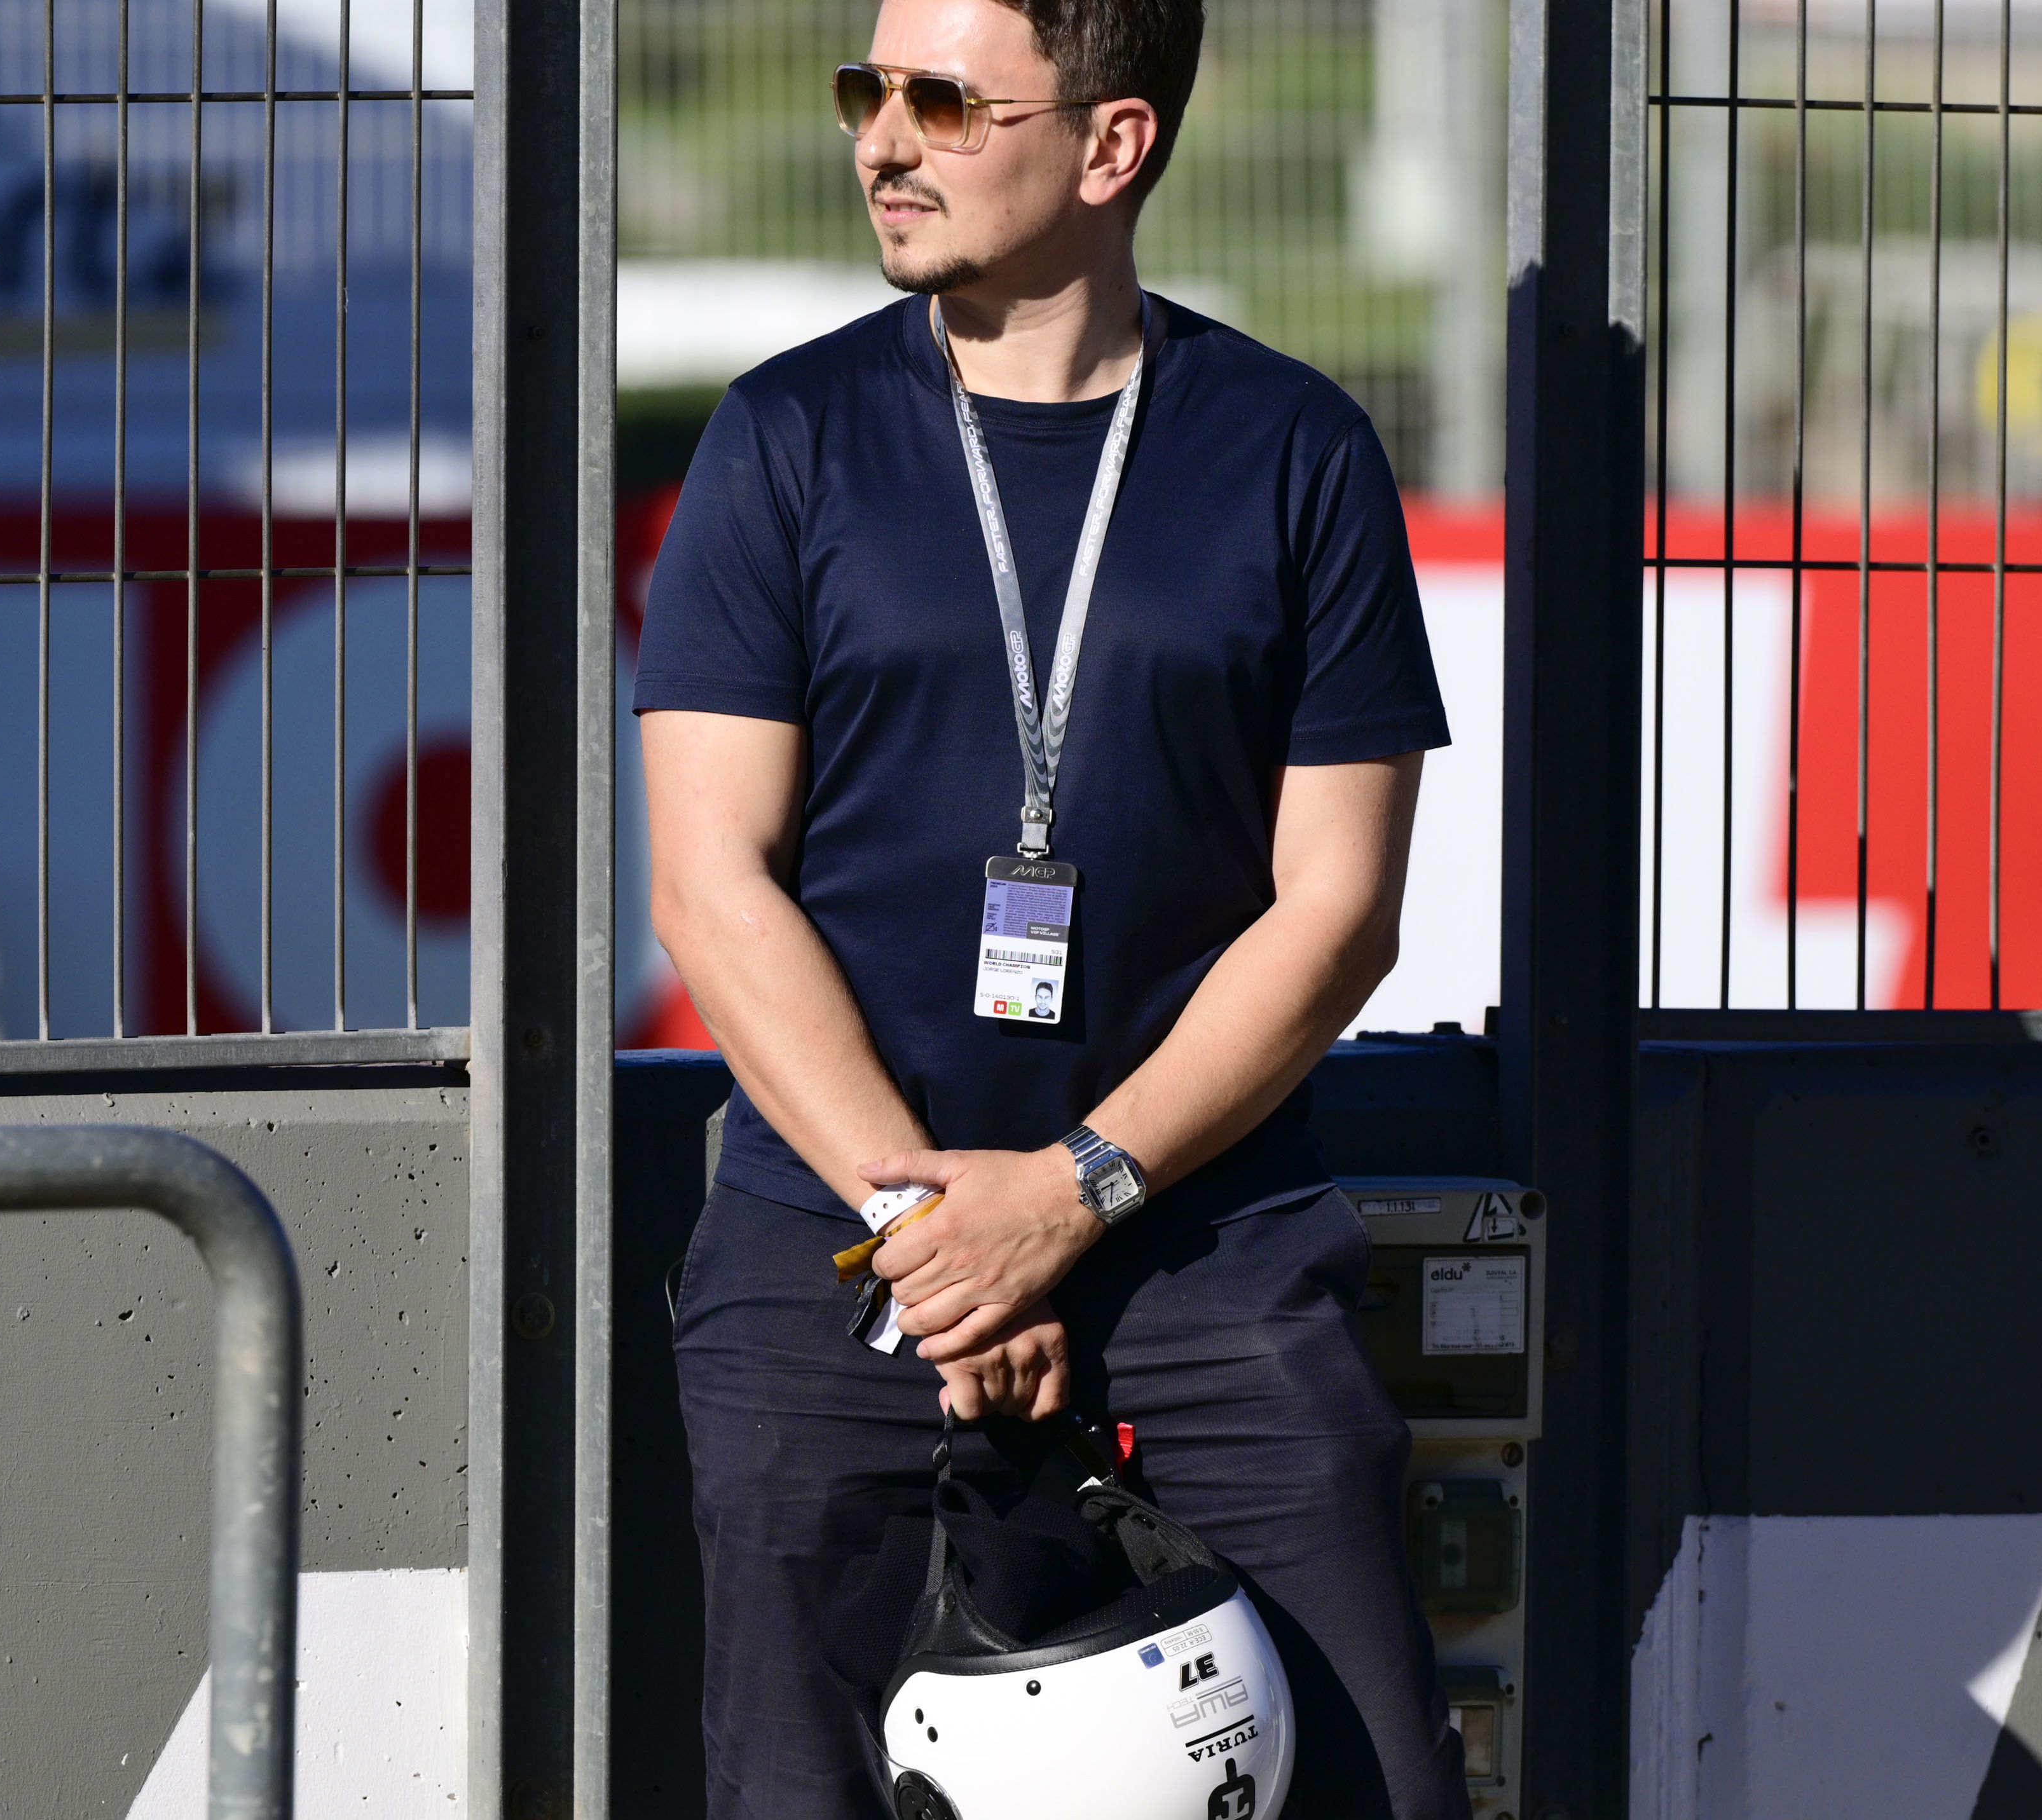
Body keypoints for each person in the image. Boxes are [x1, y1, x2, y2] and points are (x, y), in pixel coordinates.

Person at [634, 0, 1463, 1813]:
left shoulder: (1291, 451)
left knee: (1378, 1771)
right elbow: (708, 885)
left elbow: (1337, 911)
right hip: (843, 1235)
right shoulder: (788, 439)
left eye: (943, 99)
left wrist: (1072, 1195)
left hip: (1191, 1236)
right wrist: (935, 1234)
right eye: (869, 91)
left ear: (1111, 144)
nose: (882, 139)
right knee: (795, 1776)